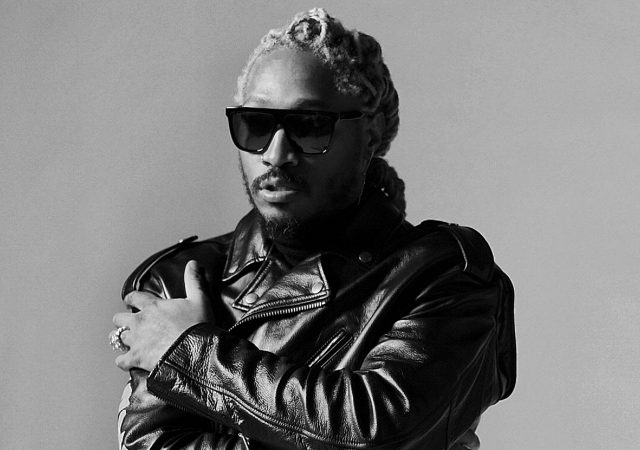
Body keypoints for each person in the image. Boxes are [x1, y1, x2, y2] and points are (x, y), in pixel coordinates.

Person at [111, 8, 516, 450]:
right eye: (257, 124)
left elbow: (376, 431)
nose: (275, 154)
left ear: (371, 132)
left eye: (309, 127)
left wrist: (192, 353)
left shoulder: (444, 275)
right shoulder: (180, 281)